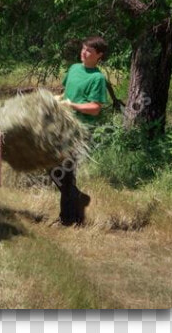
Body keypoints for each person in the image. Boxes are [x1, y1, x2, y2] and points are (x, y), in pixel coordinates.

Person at [52, 36, 109, 225]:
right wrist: (58, 98)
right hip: (62, 126)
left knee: (66, 174)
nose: (84, 53)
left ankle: (68, 219)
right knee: (52, 168)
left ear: (99, 55)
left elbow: (95, 108)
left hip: (79, 131)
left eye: (89, 51)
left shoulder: (97, 78)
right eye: (83, 49)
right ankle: (78, 198)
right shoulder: (74, 68)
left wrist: (73, 105)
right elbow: (67, 92)